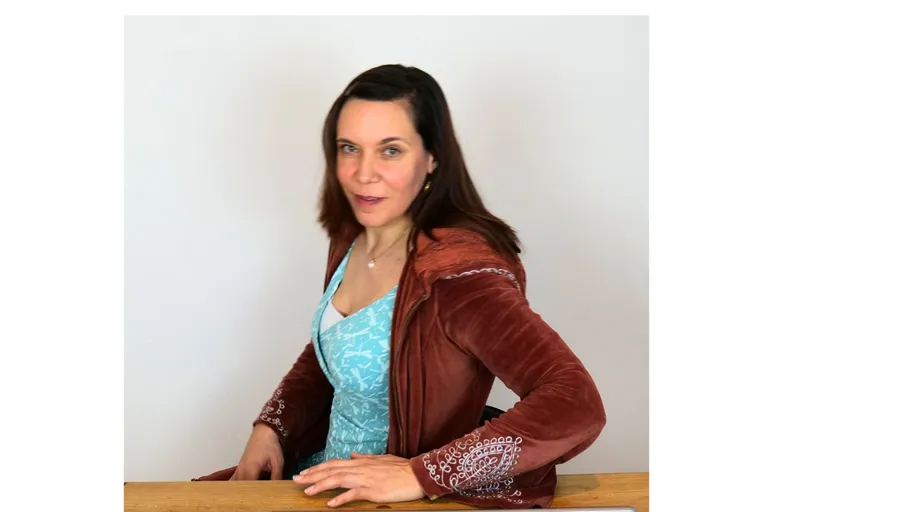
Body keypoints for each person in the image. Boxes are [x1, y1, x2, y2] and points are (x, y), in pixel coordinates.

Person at [193, 64, 606, 509]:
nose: (362, 173)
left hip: (407, 503)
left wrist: (419, 475)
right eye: (349, 148)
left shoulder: (460, 276)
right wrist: (272, 428)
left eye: (390, 151)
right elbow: (334, 349)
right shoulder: (352, 237)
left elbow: (575, 403)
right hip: (325, 481)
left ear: (433, 158)